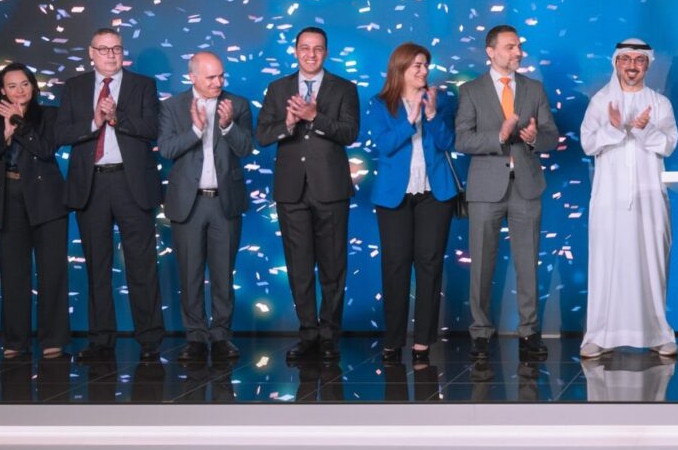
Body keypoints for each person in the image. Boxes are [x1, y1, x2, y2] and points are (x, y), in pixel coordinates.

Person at [55, 27, 163, 361]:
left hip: (132, 184)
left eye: (116, 48)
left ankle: (149, 340)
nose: (110, 55)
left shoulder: (142, 85)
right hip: (92, 184)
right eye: (103, 49)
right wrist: (94, 121)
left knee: (142, 265)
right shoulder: (74, 87)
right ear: (91, 53)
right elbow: (61, 133)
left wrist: (117, 118)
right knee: (97, 267)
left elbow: (152, 129)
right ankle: (101, 340)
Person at [256, 26, 360, 361]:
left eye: (317, 49)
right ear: (295, 50)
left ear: (326, 52)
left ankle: (329, 336)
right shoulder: (278, 88)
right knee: (299, 268)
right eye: (305, 48)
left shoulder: (344, 88)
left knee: (333, 267)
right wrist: (288, 124)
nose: (310, 54)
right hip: (291, 191)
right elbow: (262, 135)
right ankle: (308, 334)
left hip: (331, 188)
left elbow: (349, 133)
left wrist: (316, 117)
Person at [454, 25, 557, 359]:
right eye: (510, 47)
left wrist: (533, 138)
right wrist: (499, 136)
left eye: (519, 46)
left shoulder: (534, 89)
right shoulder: (471, 91)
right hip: (485, 188)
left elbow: (551, 137)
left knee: (528, 263)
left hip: (526, 186)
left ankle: (529, 332)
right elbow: (462, 139)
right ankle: (481, 333)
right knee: (482, 264)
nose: (518, 52)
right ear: (491, 51)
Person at [579, 38, 678, 358]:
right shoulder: (600, 102)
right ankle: (599, 335)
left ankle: (657, 333)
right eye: (626, 59)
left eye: (639, 60)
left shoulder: (660, 104)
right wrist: (614, 128)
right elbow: (587, 144)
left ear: (647, 65)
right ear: (616, 63)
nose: (632, 66)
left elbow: (668, 145)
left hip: (649, 198)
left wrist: (643, 129)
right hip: (609, 198)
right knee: (606, 263)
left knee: (652, 262)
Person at [365, 42, 461, 365]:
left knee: (429, 264)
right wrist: (410, 120)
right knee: (395, 265)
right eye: (417, 65)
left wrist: (431, 115)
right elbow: (384, 145)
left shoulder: (442, 100)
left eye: (425, 65)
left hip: (435, 193)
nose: (423, 71)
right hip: (394, 195)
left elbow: (448, 142)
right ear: (401, 69)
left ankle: (423, 341)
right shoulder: (380, 104)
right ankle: (393, 340)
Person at [159, 52, 255, 366]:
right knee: (190, 273)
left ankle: (221, 335)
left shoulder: (238, 105)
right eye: (211, 77)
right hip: (188, 202)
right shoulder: (173, 106)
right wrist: (196, 130)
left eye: (221, 76)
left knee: (223, 273)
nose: (218, 82)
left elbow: (246, 148)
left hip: (225, 201)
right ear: (193, 77)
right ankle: (196, 337)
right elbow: (167, 149)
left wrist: (227, 126)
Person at [0, 63, 68, 360]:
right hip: (9, 196)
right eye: (12, 86)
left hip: (47, 198)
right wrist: (5, 132)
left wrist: (18, 123)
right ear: (2, 90)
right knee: (13, 272)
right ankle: (15, 340)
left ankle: (52, 338)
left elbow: (45, 149)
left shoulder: (49, 115)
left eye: (25, 84)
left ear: (33, 86)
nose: (19, 90)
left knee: (52, 271)